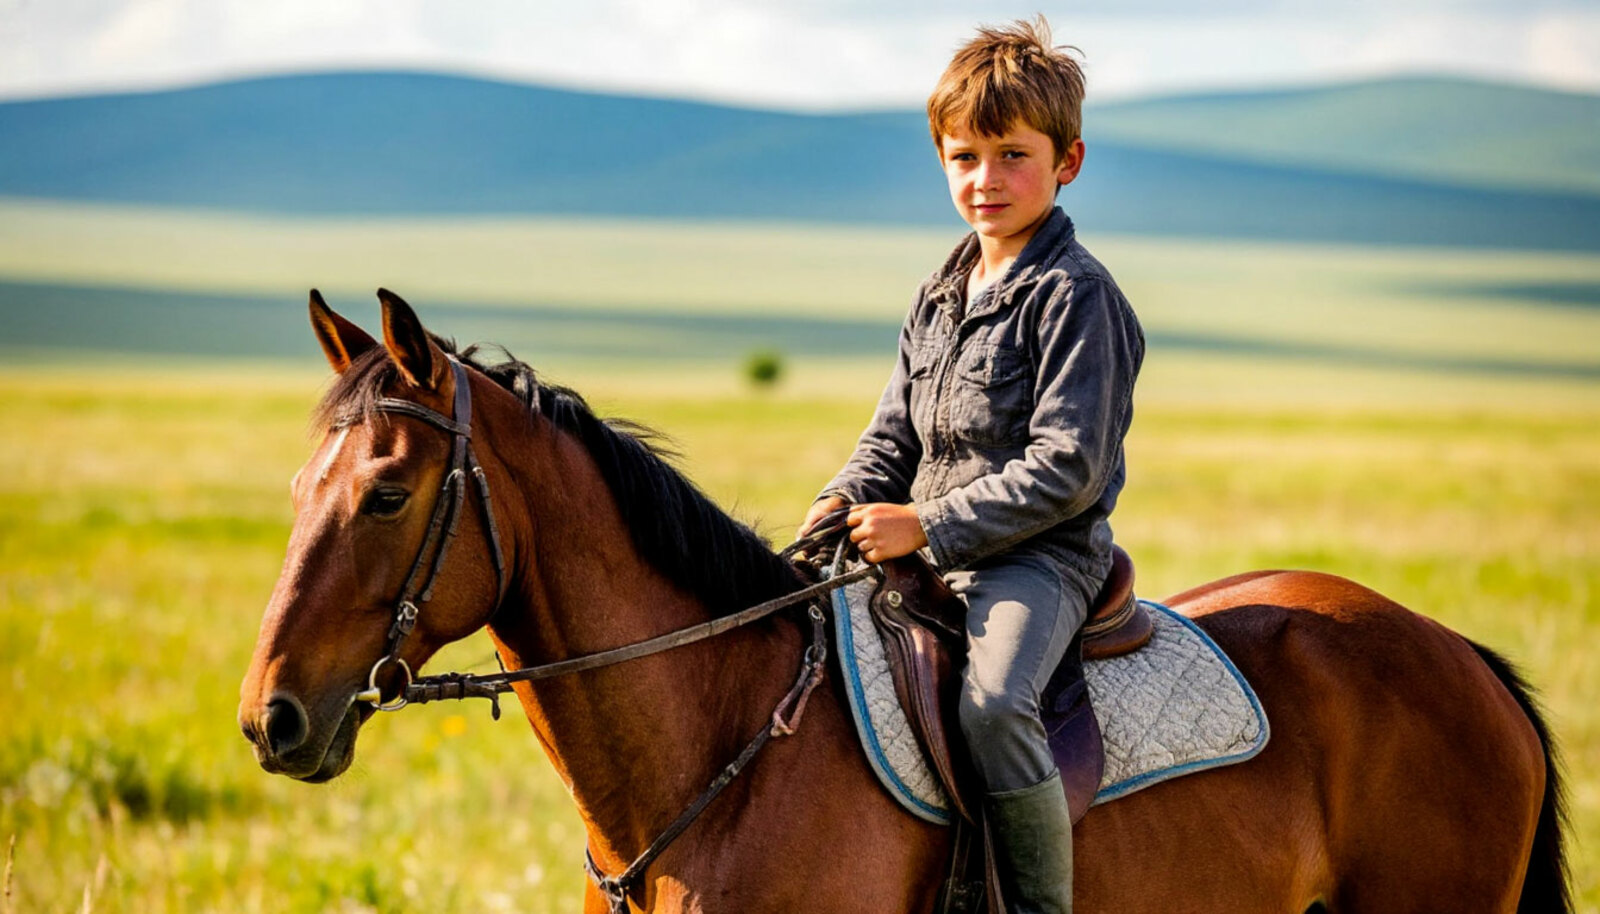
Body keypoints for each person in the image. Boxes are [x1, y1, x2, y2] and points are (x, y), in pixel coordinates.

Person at [797, 17, 1144, 914]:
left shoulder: (1078, 297)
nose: (985, 181)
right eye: (963, 157)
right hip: (926, 551)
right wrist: (837, 506)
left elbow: (1067, 467)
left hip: (1039, 558)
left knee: (993, 707)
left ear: (1067, 161)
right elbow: (892, 438)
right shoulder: (940, 295)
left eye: (1012, 156)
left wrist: (927, 524)